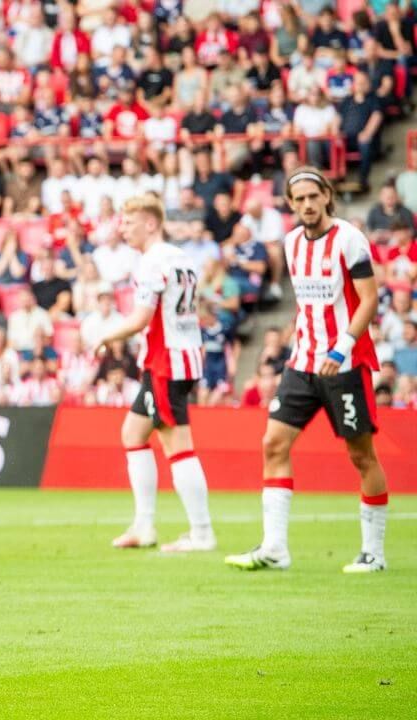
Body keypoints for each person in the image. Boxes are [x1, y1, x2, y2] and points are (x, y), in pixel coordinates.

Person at [226, 168, 389, 574]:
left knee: (361, 455)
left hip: (344, 364)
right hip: (302, 363)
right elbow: (308, 303)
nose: (307, 204)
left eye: (313, 196)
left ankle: (374, 553)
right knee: (273, 444)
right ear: (290, 204)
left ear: (327, 195)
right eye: (298, 199)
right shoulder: (291, 242)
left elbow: (369, 299)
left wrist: (342, 346)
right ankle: (275, 548)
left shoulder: (349, 239)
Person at [97, 195, 215, 552]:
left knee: (176, 444)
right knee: (133, 433)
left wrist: (104, 336)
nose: (123, 229)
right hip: (182, 356)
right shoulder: (182, 258)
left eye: (129, 222)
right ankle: (143, 526)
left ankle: (202, 533)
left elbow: (140, 319)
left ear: (151, 223)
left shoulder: (150, 263)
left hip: (166, 362)